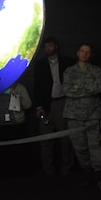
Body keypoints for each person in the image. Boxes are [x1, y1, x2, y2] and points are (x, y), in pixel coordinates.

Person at [32, 37, 75, 176]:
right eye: (46, 46)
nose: (48, 48)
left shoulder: (68, 62)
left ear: (56, 46)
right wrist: (38, 107)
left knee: (66, 140)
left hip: (63, 103)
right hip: (46, 104)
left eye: (50, 45)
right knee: (45, 140)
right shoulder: (40, 65)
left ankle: (67, 169)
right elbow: (36, 87)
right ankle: (48, 171)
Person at [62, 44, 101, 179]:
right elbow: (67, 90)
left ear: (91, 55)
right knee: (80, 149)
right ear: (77, 53)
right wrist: (87, 88)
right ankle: (87, 174)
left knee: (95, 148)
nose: (85, 54)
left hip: (92, 115)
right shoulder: (69, 71)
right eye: (82, 51)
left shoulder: (96, 71)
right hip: (74, 116)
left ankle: (99, 177)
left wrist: (78, 86)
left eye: (88, 52)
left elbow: (98, 88)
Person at [0, 81, 33, 176]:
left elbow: (28, 105)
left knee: (17, 154)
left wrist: (17, 95)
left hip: (16, 125)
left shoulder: (20, 87)